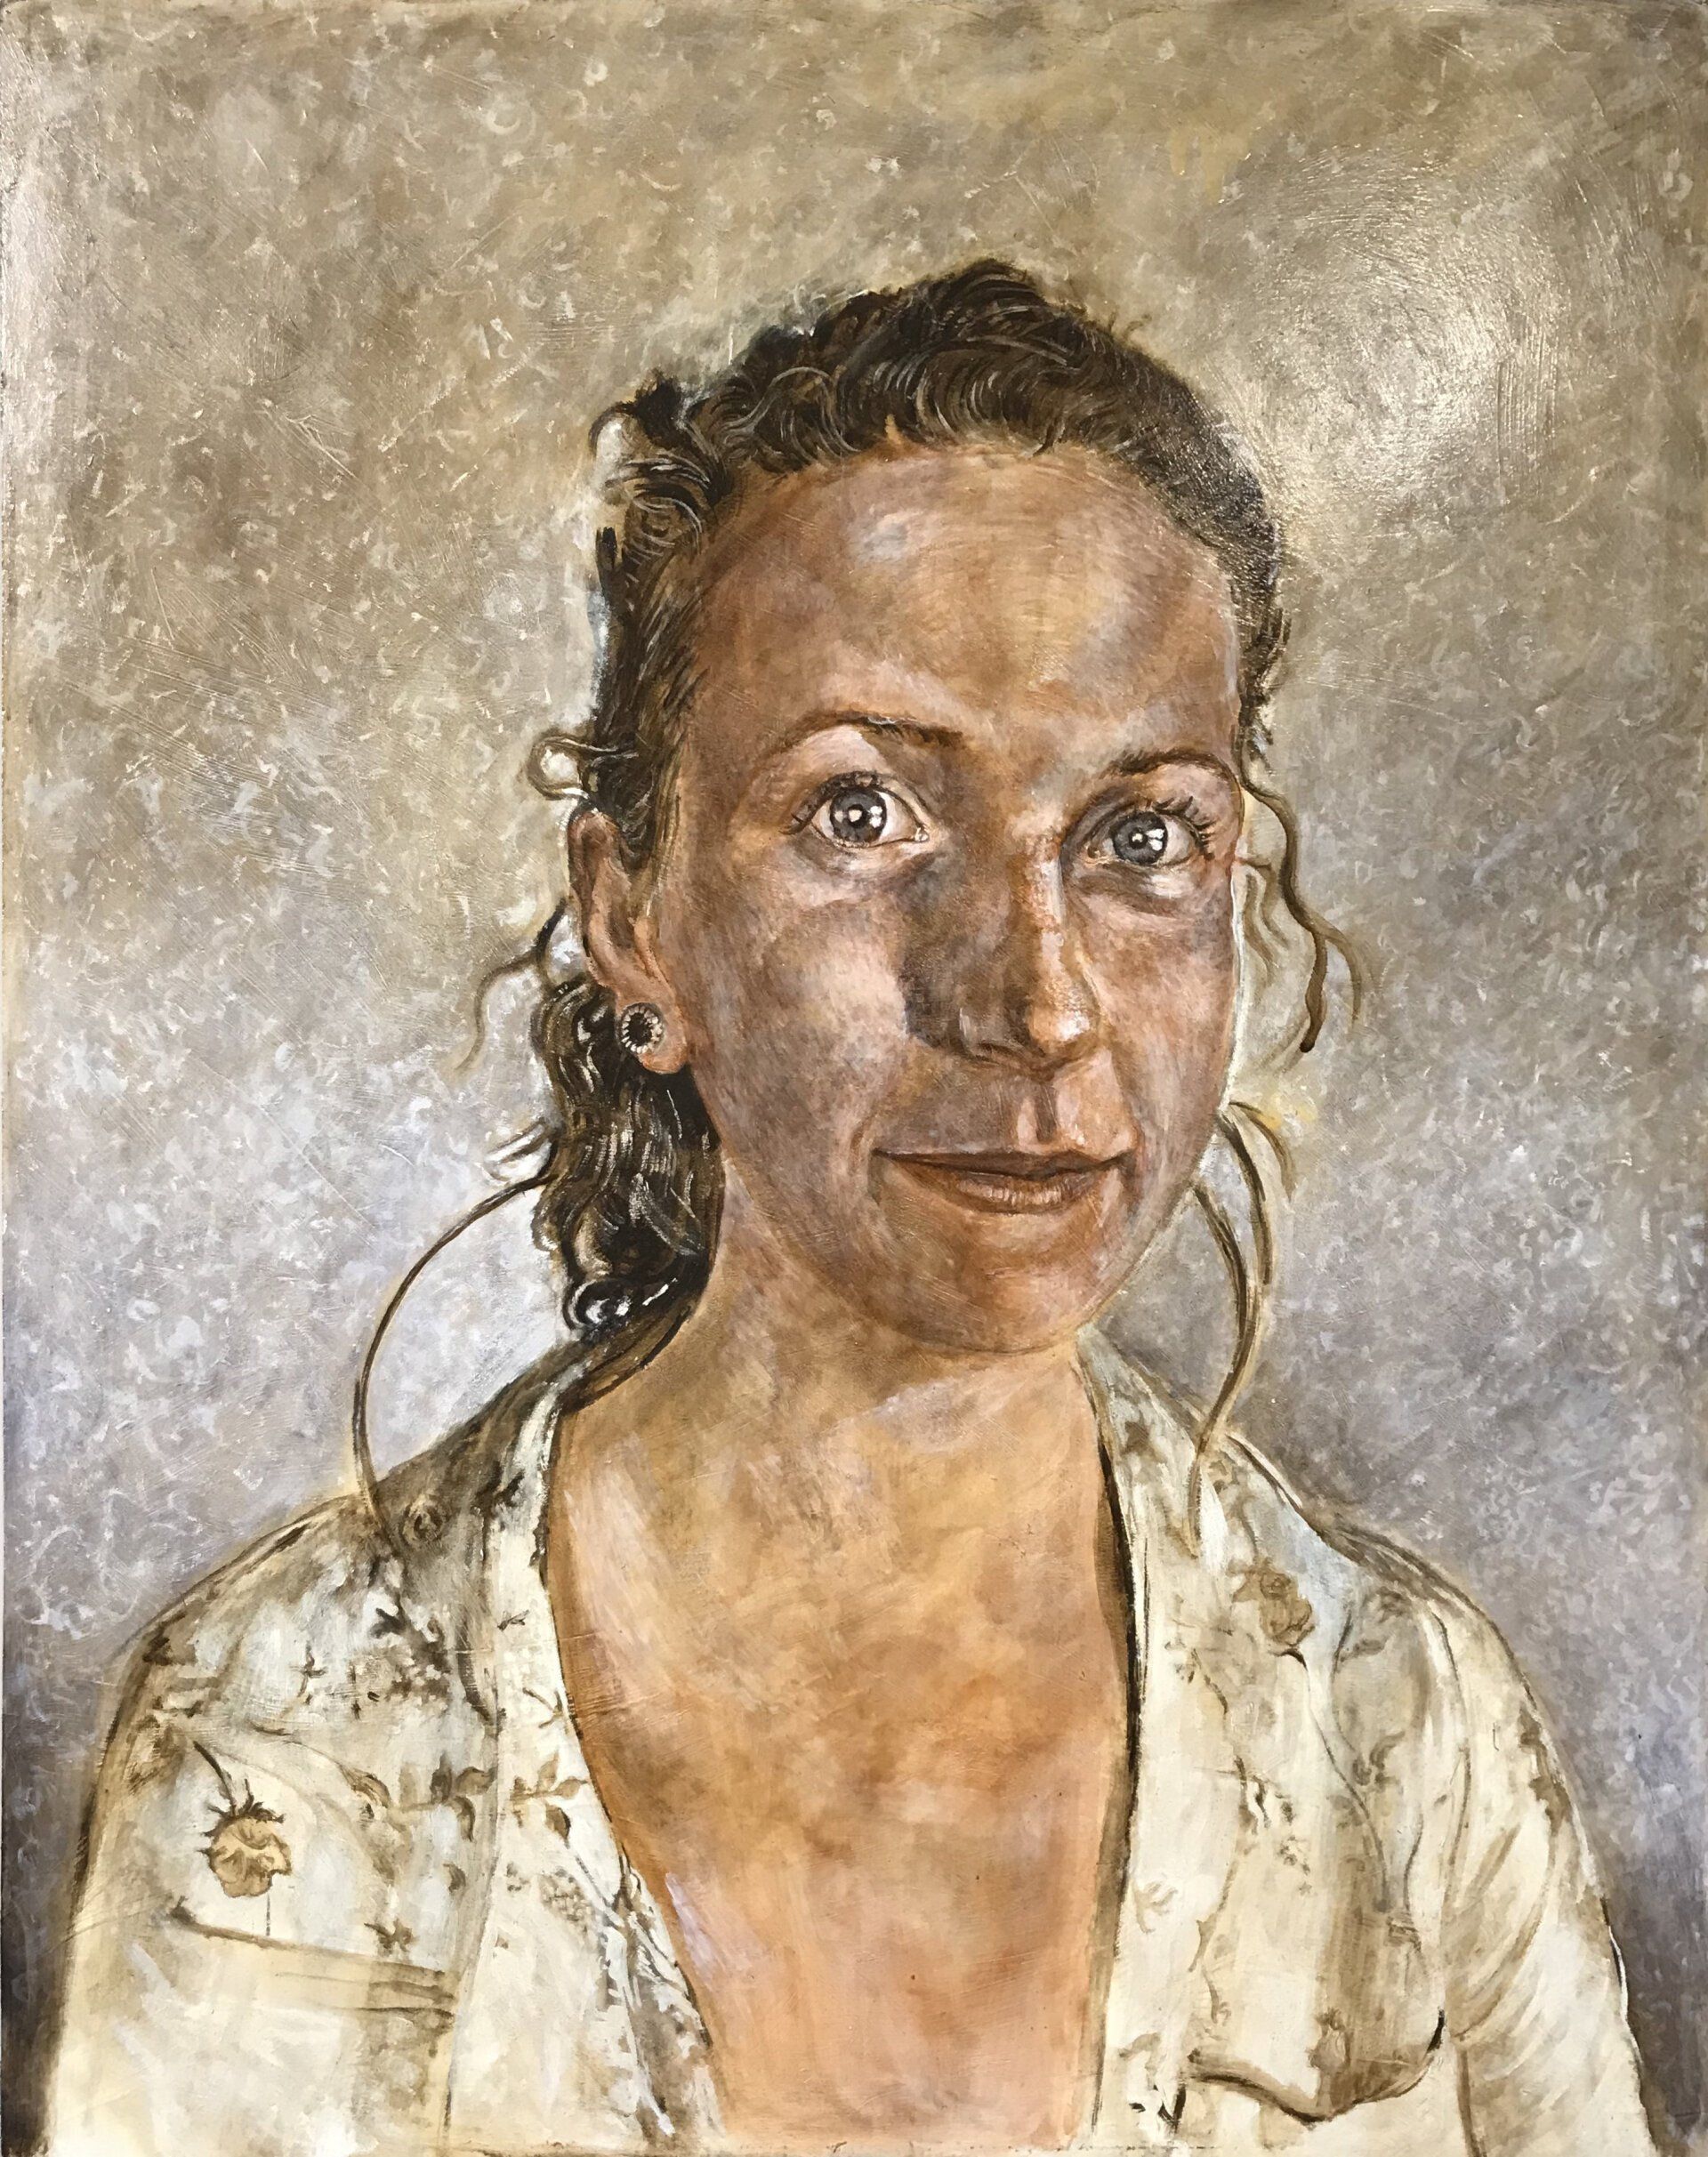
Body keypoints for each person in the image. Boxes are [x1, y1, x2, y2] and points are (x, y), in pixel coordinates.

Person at [47, 262, 1655, 2156]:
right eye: (864, 814)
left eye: (1139, 837)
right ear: (634, 918)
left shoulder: (1403, 1734)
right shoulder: (294, 1738)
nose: (1036, 999)